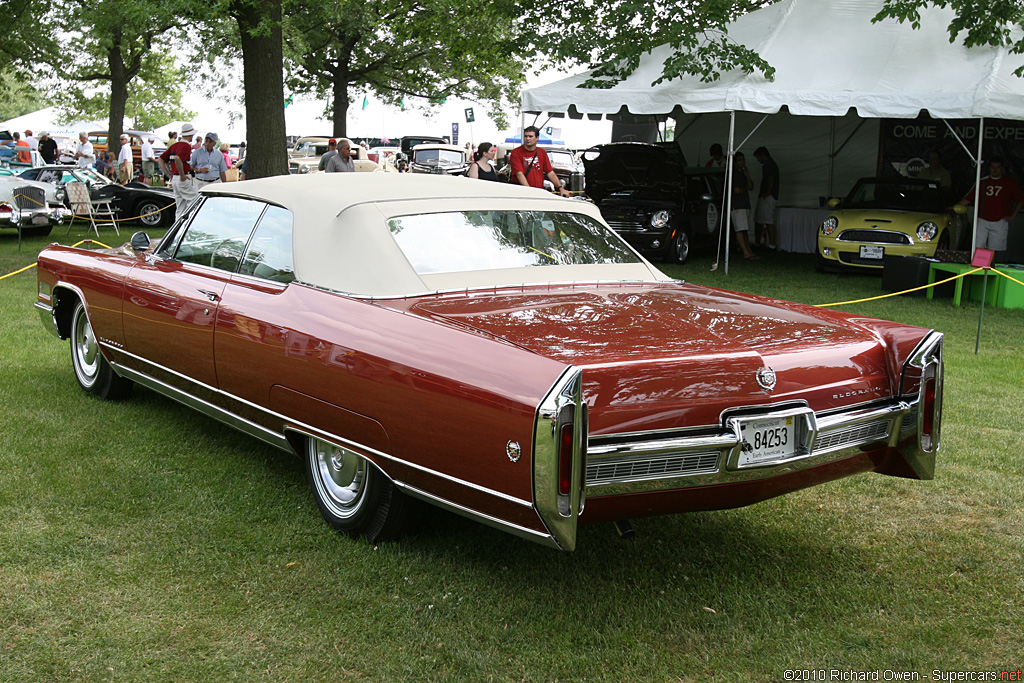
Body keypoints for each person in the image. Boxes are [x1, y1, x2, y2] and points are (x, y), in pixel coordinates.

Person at [958, 157, 1024, 251]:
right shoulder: (982, 182)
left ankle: (990, 265)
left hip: (1000, 220)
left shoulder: (1009, 183)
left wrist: (1013, 215)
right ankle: (978, 264)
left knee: (994, 249)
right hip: (982, 220)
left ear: (1002, 168)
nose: (995, 170)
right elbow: (968, 199)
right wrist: (954, 207)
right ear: (989, 168)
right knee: (978, 246)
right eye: (993, 167)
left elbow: (1020, 200)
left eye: (998, 167)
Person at [509, 126, 571, 197]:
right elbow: (519, 174)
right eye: (526, 136)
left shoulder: (542, 152)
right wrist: (529, 191)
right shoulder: (516, 152)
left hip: (539, 192)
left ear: (537, 138)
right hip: (523, 193)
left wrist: (561, 188)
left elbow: (550, 172)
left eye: (530, 136)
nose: (527, 139)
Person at [158, 123, 198, 221]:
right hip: (183, 178)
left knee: (180, 207)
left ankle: (177, 230)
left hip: (175, 178)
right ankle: (190, 227)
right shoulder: (186, 146)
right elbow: (177, 158)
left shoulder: (175, 145)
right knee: (193, 203)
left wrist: (169, 174)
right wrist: (182, 174)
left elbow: (160, 159)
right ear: (191, 135)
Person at [730, 152, 760, 260]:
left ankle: (749, 251)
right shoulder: (734, 173)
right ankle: (745, 252)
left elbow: (751, 186)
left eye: (743, 160)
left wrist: (747, 175)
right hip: (737, 205)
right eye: (739, 160)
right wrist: (746, 188)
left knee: (745, 229)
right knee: (740, 229)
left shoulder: (742, 172)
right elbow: (737, 190)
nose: (742, 162)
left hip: (744, 204)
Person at [753, 146, 779, 249]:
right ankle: (759, 242)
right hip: (766, 195)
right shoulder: (769, 165)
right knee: (760, 220)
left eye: (758, 157)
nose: (758, 160)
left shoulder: (770, 165)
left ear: (763, 155)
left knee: (768, 221)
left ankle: (771, 245)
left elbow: (771, 179)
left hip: (768, 196)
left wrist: (767, 192)